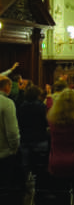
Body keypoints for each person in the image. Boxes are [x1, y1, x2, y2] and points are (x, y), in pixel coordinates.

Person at [0, 75, 24, 205]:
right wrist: (14, 149)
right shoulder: (7, 103)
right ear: (7, 87)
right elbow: (13, 133)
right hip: (4, 155)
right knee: (5, 190)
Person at [17, 85, 49, 175]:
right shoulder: (41, 106)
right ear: (37, 95)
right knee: (40, 165)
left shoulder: (21, 106)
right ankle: (39, 185)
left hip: (25, 138)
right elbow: (46, 122)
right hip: (39, 138)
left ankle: (26, 183)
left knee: (25, 164)